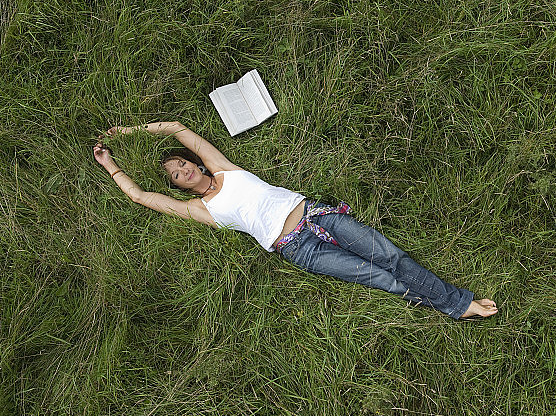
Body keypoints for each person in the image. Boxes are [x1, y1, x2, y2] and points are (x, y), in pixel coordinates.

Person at [92, 121, 498, 320]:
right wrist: (110, 164)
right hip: (296, 248)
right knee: (379, 278)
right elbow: (142, 196)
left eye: (183, 164)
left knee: (391, 256)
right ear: (180, 188)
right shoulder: (200, 210)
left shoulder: (224, 169)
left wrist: (128, 131)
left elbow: (181, 129)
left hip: (315, 215)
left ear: (195, 162)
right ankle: (458, 308)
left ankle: (457, 302)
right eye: (177, 175)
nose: (183, 171)